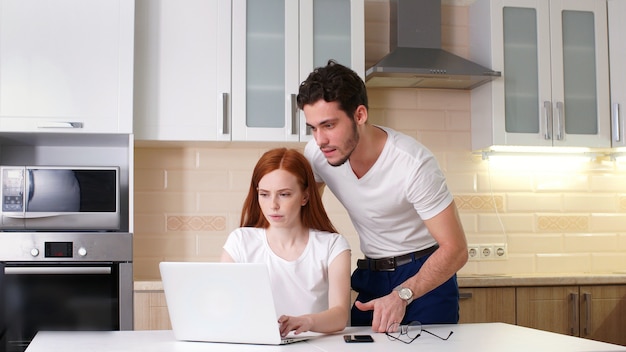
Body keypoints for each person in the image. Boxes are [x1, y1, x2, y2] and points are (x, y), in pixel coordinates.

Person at [297, 60, 468, 333]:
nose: (320, 139)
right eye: (313, 128)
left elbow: (456, 249)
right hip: (371, 275)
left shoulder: (413, 163)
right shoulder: (318, 154)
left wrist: (403, 294)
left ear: (360, 115)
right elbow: (305, 217)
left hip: (424, 275)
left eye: (328, 125)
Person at [220, 148, 351, 337]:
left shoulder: (333, 245)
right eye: (264, 194)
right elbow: (223, 302)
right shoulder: (240, 241)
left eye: (284, 194)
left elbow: (339, 315)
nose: (273, 205)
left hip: (315, 346)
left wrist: (307, 321)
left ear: (305, 196)